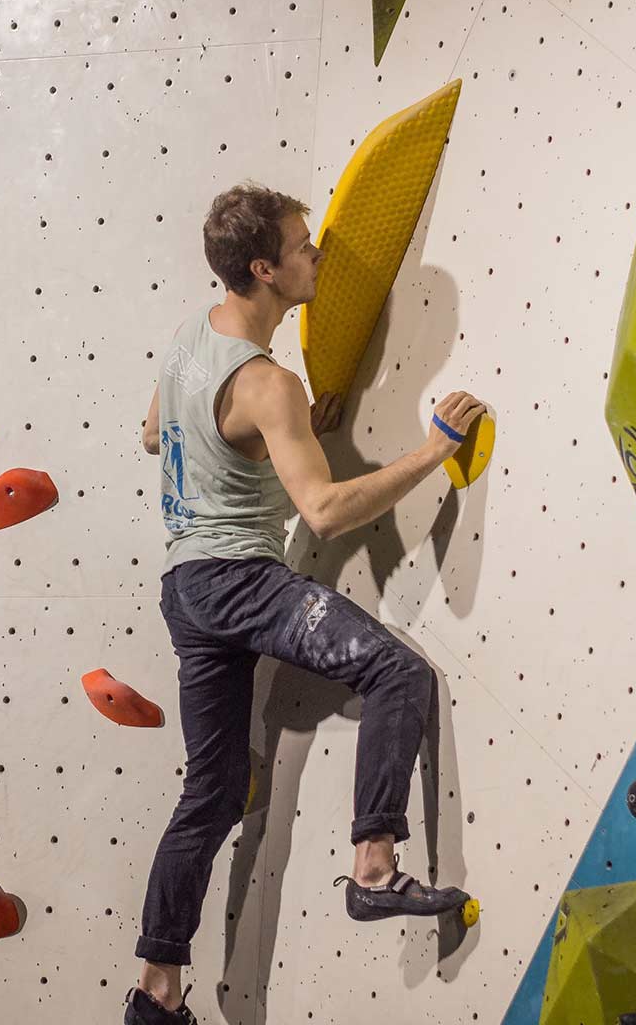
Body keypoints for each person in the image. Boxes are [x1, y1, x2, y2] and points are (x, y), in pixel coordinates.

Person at [122, 183, 487, 1024]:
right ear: (264, 269)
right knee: (399, 673)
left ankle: (157, 992)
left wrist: (283, 432)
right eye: (303, 246)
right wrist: (434, 451)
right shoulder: (266, 381)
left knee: (211, 794)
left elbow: (155, 433)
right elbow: (322, 513)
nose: (317, 256)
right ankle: (373, 867)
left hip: (185, 589)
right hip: (240, 579)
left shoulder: (190, 341)